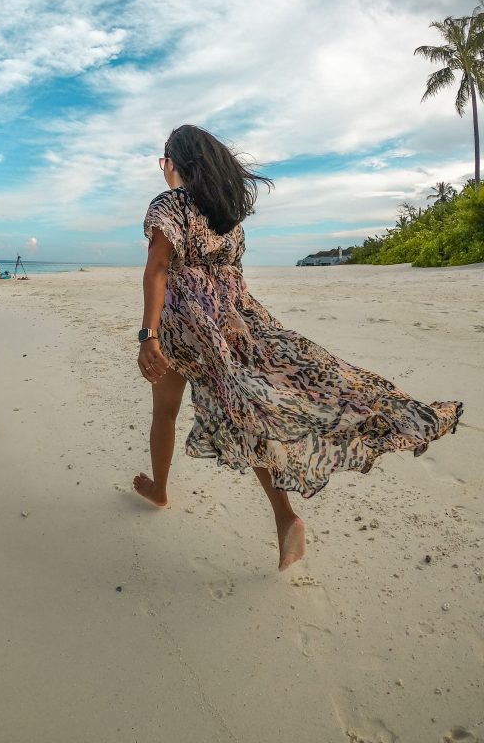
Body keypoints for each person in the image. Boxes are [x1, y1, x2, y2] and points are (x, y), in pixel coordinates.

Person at [133, 124, 463, 571]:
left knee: (169, 412)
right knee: (249, 409)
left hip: (183, 327)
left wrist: (148, 334)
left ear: (176, 162)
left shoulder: (169, 205)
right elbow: (227, 277)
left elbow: (158, 267)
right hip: (233, 321)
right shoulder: (227, 217)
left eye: (164, 160)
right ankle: (284, 516)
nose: (163, 168)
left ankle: (160, 489)